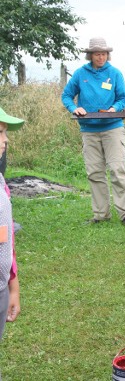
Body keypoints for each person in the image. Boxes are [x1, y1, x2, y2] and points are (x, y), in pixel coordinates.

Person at [61, 37, 125, 227]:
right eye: (97, 54)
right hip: (89, 130)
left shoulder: (114, 73)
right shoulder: (80, 74)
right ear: (90, 55)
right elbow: (67, 95)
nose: (100, 57)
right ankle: (101, 214)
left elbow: (122, 98)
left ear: (107, 55)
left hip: (113, 128)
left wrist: (114, 108)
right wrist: (74, 108)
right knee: (95, 172)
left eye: (103, 54)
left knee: (118, 170)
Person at [0, 107, 23, 378]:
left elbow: (7, 241)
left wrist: (12, 285)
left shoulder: (2, 183)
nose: (6, 140)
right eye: (0, 132)